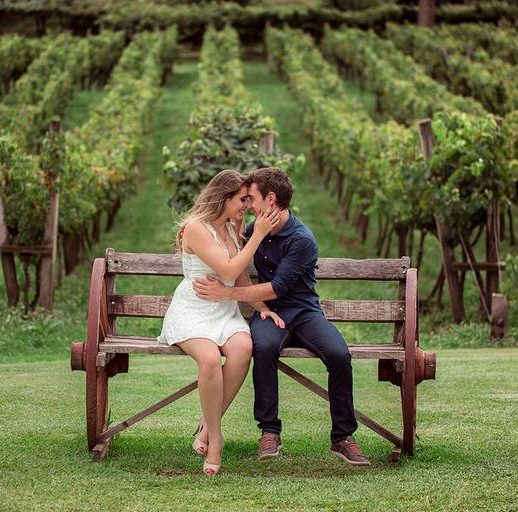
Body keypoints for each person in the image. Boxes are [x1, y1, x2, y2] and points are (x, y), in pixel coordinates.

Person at [193, 167, 371, 466]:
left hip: (303, 312)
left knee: (339, 354)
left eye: (252, 198)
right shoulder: (255, 231)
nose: (249, 205)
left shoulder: (302, 239)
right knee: (263, 347)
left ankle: (343, 437)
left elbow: (277, 288)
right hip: (270, 312)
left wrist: (226, 293)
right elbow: (232, 257)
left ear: (271, 199)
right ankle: (269, 431)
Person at [158, 169, 284, 475]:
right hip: (193, 310)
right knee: (211, 360)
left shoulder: (230, 228)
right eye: (242, 200)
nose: (247, 206)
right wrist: (257, 235)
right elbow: (227, 270)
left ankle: (206, 427)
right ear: (223, 198)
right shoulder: (195, 228)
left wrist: (261, 307)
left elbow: (238, 278)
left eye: (248, 199)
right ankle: (215, 438)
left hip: (224, 312)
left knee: (243, 349)